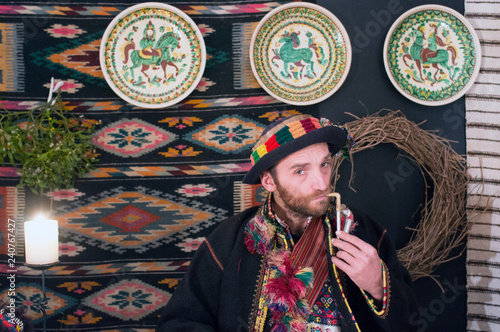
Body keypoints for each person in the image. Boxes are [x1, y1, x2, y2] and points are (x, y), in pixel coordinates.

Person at [156, 114, 418, 331]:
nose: (322, 183)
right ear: (269, 182)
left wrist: (377, 284)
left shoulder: (363, 231)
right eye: (300, 170)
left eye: (324, 164)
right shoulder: (229, 239)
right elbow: (179, 323)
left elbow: (412, 321)